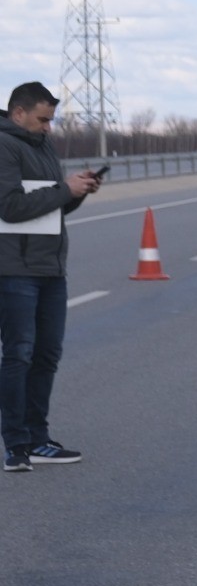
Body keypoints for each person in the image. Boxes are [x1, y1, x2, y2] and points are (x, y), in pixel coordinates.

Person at [0, 82, 102, 473]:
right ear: (18, 113)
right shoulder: (5, 146)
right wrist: (64, 189)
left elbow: (50, 209)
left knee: (46, 356)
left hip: (50, 269)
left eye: (51, 120)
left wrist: (76, 193)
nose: (48, 127)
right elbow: (9, 207)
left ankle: (39, 438)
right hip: (14, 270)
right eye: (43, 119)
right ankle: (16, 445)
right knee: (19, 354)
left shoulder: (42, 145)